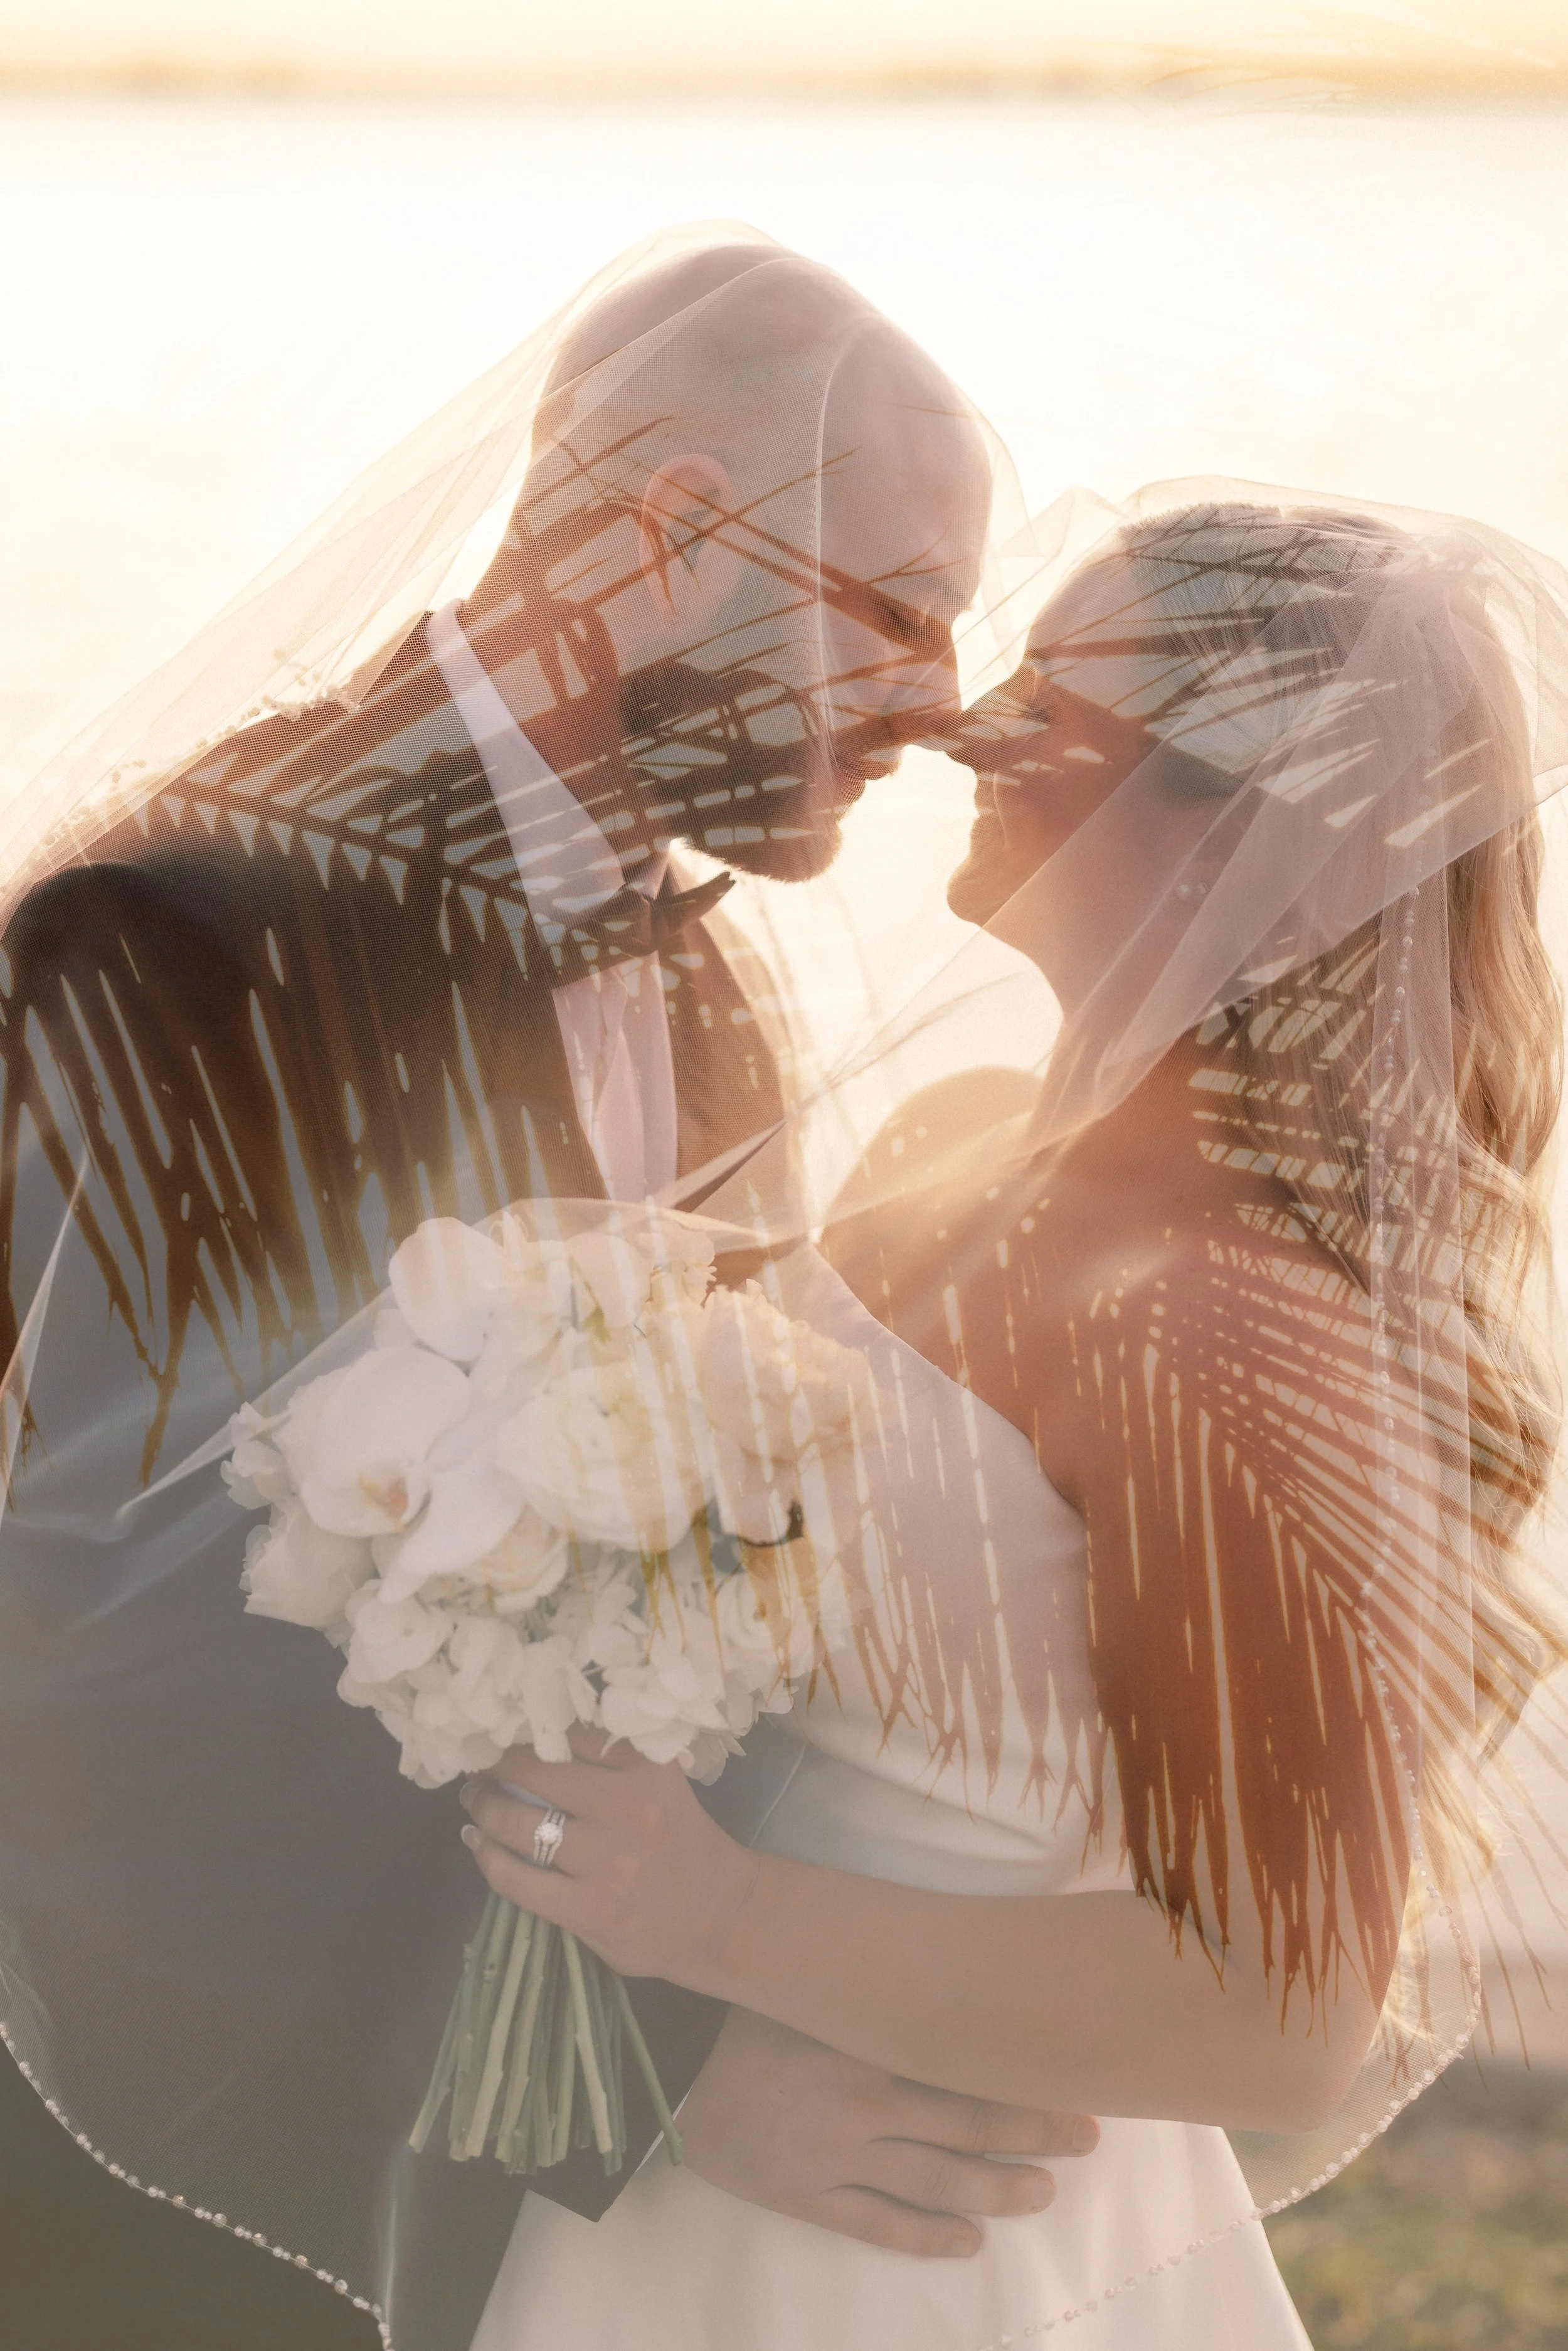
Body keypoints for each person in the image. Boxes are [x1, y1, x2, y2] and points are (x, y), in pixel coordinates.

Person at [0, 230, 1094, 2351]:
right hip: (185, 2212)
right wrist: (648, 2075)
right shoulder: (179, 933)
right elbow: (88, 1637)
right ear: (665, 537)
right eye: (896, 610)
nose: (940, 703)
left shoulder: (702, 969)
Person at [458, 493, 1568, 2348]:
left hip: (911, 2254)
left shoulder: (1229, 1324)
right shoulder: (948, 1142)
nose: (966, 723)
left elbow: (1280, 2017)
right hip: (697, 2154)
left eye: (1058, 696)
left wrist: (711, 1923)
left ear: (1258, 833)